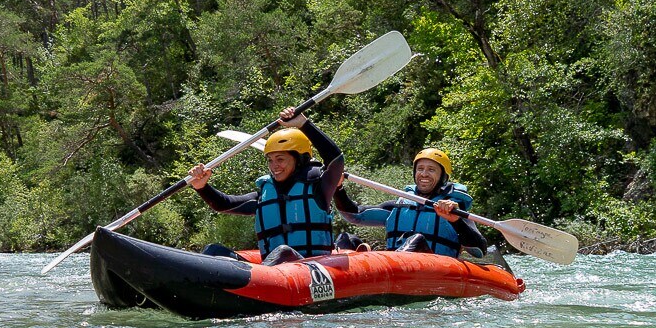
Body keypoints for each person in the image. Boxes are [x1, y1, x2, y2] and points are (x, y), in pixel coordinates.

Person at [187, 108, 345, 263]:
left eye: (280, 159)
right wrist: (202, 187)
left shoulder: (319, 187)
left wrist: (303, 124)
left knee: (284, 252)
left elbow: (335, 158)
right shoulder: (264, 194)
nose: (274, 166)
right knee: (214, 251)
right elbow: (224, 204)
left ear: (299, 160)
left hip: (309, 266)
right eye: (270, 160)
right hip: (272, 271)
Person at [336, 147, 496, 258]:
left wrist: (456, 221)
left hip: (434, 271)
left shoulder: (455, 211)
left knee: (416, 240)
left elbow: (479, 251)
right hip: (394, 266)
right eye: (420, 169)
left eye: (431, 170)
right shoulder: (398, 205)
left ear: (443, 177)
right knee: (346, 238)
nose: (424, 174)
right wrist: (338, 188)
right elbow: (353, 215)